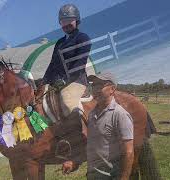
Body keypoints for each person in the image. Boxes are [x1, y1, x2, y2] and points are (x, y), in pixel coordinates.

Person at [41, 3, 92, 170]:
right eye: (63, 21)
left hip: (77, 81)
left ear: (77, 20)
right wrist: (43, 81)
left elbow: (79, 63)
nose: (66, 24)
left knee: (67, 99)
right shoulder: (59, 43)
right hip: (58, 82)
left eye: (69, 20)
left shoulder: (83, 38)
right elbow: (53, 64)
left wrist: (65, 80)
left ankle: (80, 143)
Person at [86, 73, 134, 180]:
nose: (95, 89)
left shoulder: (120, 115)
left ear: (112, 89)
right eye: (93, 85)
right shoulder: (91, 114)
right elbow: (92, 144)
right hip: (92, 174)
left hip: (110, 176)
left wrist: (124, 178)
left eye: (100, 85)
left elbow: (129, 152)